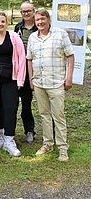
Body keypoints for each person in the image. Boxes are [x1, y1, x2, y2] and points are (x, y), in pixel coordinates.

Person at [27, 9, 74, 162]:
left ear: (48, 19)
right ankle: (47, 143)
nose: (40, 22)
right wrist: (31, 79)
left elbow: (70, 56)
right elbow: (29, 59)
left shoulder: (60, 34)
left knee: (58, 116)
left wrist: (69, 78)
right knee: (44, 115)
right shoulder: (33, 37)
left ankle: (62, 148)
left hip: (56, 83)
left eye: (42, 19)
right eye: (37, 20)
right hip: (39, 82)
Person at [0, 12, 26, 157]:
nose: (0, 24)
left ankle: (9, 139)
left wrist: (20, 80)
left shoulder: (14, 38)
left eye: (3, 21)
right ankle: (1, 134)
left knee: (10, 108)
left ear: (6, 23)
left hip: (11, 79)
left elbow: (21, 59)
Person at [14, 2, 37, 144]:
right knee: (12, 102)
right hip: (19, 69)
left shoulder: (39, 26)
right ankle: (5, 131)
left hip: (34, 68)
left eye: (28, 11)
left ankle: (29, 131)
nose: (26, 13)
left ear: (33, 11)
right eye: (23, 11)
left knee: (27, 103)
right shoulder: (17, 27)